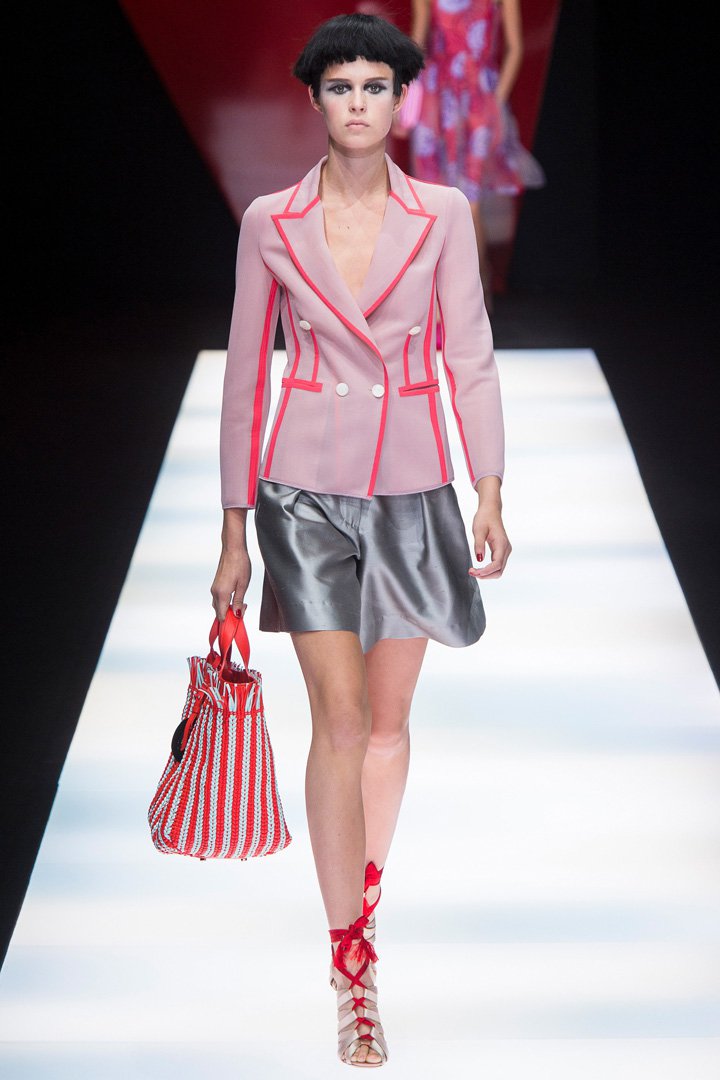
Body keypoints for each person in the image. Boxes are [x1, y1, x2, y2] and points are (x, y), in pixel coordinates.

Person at [211, 12, 511, 1068]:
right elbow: (245, 375)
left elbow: (470, 353)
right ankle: (352, 964)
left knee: (387, 726)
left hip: (413, 489)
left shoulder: (443, 214)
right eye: (340, 87)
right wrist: (235, 528)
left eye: (375, 87)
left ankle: (362, 892)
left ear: (399, 100)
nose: (357, 104)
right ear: (315, 99)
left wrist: (489, 488)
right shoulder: (271, 222)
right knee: (338, 723)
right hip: (303, 492)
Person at [409, 0, 544, 300]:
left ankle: (477, 290)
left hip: (479, 101)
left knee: (469, 201)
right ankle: (439, 299)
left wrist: (495, 103)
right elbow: (418, 44)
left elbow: (515, 48)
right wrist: (407, 97)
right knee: (433, 201)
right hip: (436, 99)